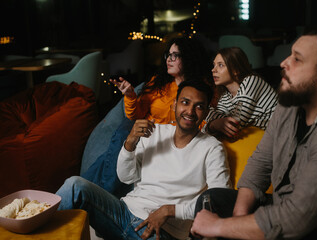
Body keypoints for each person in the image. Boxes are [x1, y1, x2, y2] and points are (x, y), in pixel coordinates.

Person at [190, 28, 317, 240]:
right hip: (281, 205)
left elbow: (298, 217)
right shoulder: (289, 106)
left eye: (297, 59)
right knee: (212, 200)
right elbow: (260, 162)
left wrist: (219, 227)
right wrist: (236, 220)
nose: (284, 63)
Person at [56, 80, 231, 240]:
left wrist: (169, 210)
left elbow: (219, 201)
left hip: (161, 231)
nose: (190, 111)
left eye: (199, 106)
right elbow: (126, 177)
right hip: (122, 214)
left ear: (206, 112)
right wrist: (130, 143)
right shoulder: (154, 132)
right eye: (185, 102)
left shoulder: (212, 148)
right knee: (74, 185)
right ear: (175, 104)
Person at [81, 37, 213, 197]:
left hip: (164, 140)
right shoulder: (158, 83)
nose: (169, 60)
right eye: (168, 55)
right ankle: (82, 192)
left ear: (189, 57)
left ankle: (92, 195)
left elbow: (202, 120)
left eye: (175, 55)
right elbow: (135, 115)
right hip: (143, 134)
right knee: (117, 143)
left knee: (109, 155)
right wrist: (130, 95)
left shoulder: (201, 90)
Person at [204, 47, 277, 141]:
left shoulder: (252, 81)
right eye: (214, 65)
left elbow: (235, 124)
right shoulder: (225, 96)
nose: (213, 70)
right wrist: (214, 123)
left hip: (277, 136)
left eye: (220, 65)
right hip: (258, 139)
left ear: (235, 70)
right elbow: (215, 125)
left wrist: (212, 119)